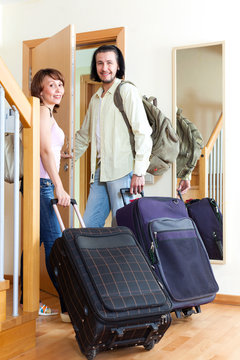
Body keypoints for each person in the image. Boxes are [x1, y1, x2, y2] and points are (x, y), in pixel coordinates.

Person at [75, 45, 152, 227]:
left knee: (124, 228)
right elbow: (84, 135)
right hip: (101, 171)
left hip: (123, 171)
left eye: (109, 63)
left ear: (118, 66)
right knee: (88, 227)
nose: (104, 68)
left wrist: (139, 172)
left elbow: (142, 132)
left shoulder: (126, 91)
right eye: (100, 63)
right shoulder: (96, 98)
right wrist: (65, 161)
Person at [20, 68, 70, 322]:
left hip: (40, 182)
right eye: (52, 85)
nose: (58, 89)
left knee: (35, 241)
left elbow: (49, 150)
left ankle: (27, 299)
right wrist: (58, 185)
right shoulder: (40, 111)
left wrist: (61, 156)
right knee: (55, 245)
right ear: (40, 90)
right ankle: (70, 306)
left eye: (60, 85)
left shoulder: (48, 114)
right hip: (42, 185)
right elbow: (43, 151)